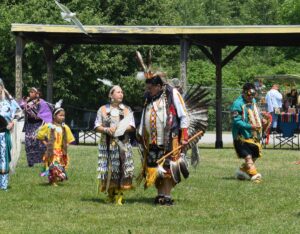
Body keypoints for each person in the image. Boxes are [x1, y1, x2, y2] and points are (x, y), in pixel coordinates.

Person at [137, 72, 189, 206]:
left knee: (167, 167)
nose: (148, 91)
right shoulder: (148, 98)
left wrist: (184, 136)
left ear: (159, 86)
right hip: (152, 141)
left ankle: (167, 196)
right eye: (147, 88)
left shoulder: (172, 93)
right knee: (154, 168)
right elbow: (144, 116)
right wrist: (141, 134)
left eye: (150, 88)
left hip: (170, 138)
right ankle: (160, 194)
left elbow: (183, 115)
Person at [94, 85, 135, 205]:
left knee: (122, 167)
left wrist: (119, 129)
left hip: (122, 144)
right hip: (107, 144)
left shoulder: (127, 109)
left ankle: (119, 194)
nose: (121, 94)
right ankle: (110, 193)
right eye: (118, 92)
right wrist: (107, 130)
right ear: (110, 95)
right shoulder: (102, 109)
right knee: (108, 168)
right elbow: (97, 125)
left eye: (122, 92)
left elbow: (132, 126)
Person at [231, 83, 266, 183]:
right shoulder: (237, 104)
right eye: (249, 95)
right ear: (244, 92)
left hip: (253, 134)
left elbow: (256, 112)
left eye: (253, 95)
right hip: (240, 135)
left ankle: (242, 171)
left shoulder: (253, 101)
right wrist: (250, 126)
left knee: (254, 154)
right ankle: (255, 175)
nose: (251, 97)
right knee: (248, 156)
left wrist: (261, 119)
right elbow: (236, 121)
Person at [37, 107, 75, 186]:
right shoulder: (49, 126)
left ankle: (54, 180)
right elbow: (40, 136)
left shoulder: (65, 127)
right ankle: (53, 181)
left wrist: (65, 147)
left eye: (63, 116)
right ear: (54, 116)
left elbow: (70, 139)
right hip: (52, 151)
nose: (62, 117)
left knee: (58, 166)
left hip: (60, 151)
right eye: (60, 115)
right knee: (53, 165)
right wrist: (46, 144)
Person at [20, 87, 52, 167]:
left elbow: (48, 111)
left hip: (39, 125)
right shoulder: (26, 101)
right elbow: (20, 107)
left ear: (37, 94)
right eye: (30, 92)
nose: (30, 93)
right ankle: (30, 163)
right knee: (28, 143)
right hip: (29, 125)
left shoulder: (41, 102)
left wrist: (40, 116)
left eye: (32, 92)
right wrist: (26, 102)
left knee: (40, 143)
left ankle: (46, 160)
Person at [0, 79, 19, 190]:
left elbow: (18, 113)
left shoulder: (8, 103)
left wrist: (12, 123)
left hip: (2, 134)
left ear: (2, 88)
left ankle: (3, 185)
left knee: (3, 159)